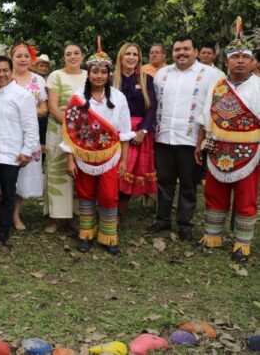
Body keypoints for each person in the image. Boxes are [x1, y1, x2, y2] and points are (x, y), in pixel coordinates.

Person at [195, 19, 259, 263]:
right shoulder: (217, 86)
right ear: (227, 61)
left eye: (245, 57)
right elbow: (206, 118)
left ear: (252, 62)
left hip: (249, 152)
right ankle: (212, 236)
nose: (240, 60)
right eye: (235, 57)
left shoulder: (258, 87)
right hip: (217, 149)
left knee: (246, 197)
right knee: (215, 193)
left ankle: (242, 244)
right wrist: (199, 144)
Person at [148, 35, 222, 241]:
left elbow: (211, 109)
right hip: (164, 137)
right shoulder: (162, 74)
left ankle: (184, 224)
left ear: (196, 51)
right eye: (177, 49)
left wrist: (203, 141)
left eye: (186, 49)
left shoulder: (210, 75)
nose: (181, 53)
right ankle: (162, 219)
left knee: (189, 184)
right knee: (164, 181)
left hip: (191, 140)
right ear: (172, 53)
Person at [61, 43, 132, 256]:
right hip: (83, 156)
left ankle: (108, 236)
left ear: (109, 74)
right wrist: (70, 159)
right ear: (88, 74)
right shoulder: (78, 98)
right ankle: (86, 234)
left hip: (110, 156)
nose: (99, 76)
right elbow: (70, 132)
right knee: (85, 194)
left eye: (103, 72)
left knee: (110, 196)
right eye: (95, 71)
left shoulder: (119, 98)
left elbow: (125, 131)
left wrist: (124, 160)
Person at [0, 55, 38, 247]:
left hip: (11, 153)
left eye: (5, 70)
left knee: (8, 195)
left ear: (11, 71)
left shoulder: (22, 95)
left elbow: (31, 126)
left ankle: (3, 231)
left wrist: (27, 150)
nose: (1, 74)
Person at [44, 43, 87, 233]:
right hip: (59, 128)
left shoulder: (89, 75)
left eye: (76, 53)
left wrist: (81, 129)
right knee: (57, 171)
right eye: (68, 54)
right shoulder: (56, 76)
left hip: (85, 131)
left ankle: (75, 216)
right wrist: (71, 127)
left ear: (83, 56)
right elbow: (53, 107)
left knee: (79, 171)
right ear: (64, 57)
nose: (73, 56)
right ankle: (55, 218)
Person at [113, 42, 157, 227]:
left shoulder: (146, 79)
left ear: (139, 58)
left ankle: (119, 214)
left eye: (135, 54)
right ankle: (109, 209)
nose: (131, 57)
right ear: (121, 58)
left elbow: (152, 107)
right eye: (127, 54)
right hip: (115, 131)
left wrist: (143, 130)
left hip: (138, 132)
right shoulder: (110, 78)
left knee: (128, 173)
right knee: (113, 173)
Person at [8, 43, 48, 230]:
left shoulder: (38, 80)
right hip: (7, 132)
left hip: (29, 133)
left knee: (23, 173)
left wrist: (26, 112)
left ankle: (15, 214)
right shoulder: (5, 77)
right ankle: (2, 210)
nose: (23, 59)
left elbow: (44, 108)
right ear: (12, 58)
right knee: (5, 171)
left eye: (26, 56)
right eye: (19, 56)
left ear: (31, 59)